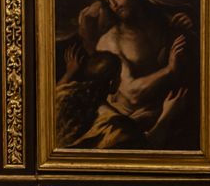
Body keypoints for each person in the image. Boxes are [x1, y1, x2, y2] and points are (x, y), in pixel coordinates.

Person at [76, 0, 196, 147]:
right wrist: (169, 70)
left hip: (170, 110)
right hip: (130, 126)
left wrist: (188, 27)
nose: (113, 5)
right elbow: (132, 94)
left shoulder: (163, 21)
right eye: (107, 1)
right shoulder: (110, 42)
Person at [55, 43, 187, 149]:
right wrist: (167, 114)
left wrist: (69, 73)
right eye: (119, 76)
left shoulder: (65, 95)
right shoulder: (117, 127)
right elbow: (146, 148)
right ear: (113, 83)